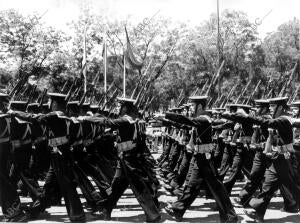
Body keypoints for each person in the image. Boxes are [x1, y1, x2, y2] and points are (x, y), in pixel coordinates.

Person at [164, 95, 238, 223]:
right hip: (200, 157)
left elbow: (186, 121)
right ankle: (178, 209)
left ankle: (231, 216)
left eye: (193, 105)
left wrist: (168, 115)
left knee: (217, 188)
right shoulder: (200, 119)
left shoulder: (203, 119)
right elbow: (186, 124)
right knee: (192, 185)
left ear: (199, 106)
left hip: (205, 158)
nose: (191, 108)